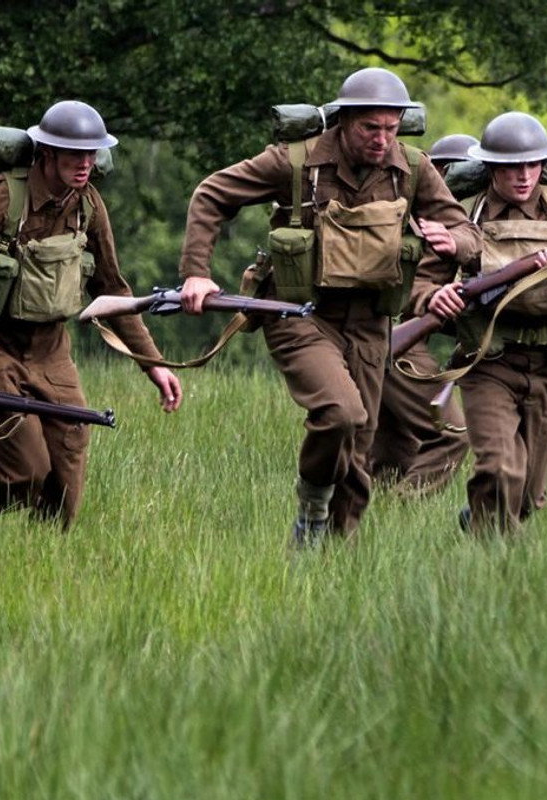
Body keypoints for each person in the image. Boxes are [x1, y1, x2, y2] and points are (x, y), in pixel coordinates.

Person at [177, 67, 479, 545]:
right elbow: (212, 194)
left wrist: (453, 242)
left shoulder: (414, 169)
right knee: (341, 413)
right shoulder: (295, 163)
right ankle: (313, 508)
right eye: (370, 128)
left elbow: (467, 230)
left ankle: (336, 552)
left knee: (360, 445)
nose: (383, 139)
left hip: (370, 321)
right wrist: (196, 271)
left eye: (392, 127)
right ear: (344, 121)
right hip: (299, 313)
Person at [0, 100, 183, 527]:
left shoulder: (89, 206)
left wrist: (153, 365)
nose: (84, 164)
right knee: (26, 469)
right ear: (46, 153)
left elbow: (112, 288)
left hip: (49, 348)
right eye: (74, 155)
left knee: (69, 460)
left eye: (91, 155)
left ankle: (46, 554)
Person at [416, 112, 547, 534]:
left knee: (527, 496)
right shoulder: (465, 214)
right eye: (513, 167)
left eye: (533, 165)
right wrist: (432, 298)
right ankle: (488, 566)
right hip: (488, 362)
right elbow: (423, 284)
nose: (524, 176)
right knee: (497, 469)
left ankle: (483, 520)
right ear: (491, 167)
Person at [366, 133, 476, 496]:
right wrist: (434, 297)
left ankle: (377, 524)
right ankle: (403, 507)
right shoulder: (416, 220)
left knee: (391, 453)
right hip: (393, 339)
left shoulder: (453, 224)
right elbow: (399, 286)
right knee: (451, 436)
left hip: (389, 339)